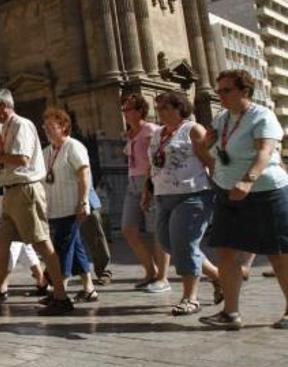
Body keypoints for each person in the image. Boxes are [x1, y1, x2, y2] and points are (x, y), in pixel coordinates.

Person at [0, 89, 73, 316]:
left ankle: (61, 297)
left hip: (26, 191)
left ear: (4, 106)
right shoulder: (6, 128)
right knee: (1, 244)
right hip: (12, 191)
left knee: (42, 243)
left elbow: (22, 159)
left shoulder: (21, 125)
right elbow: (10, 163)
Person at [201, 69, 288, 330]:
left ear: (245, 91)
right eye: (219, 91)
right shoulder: (222, 119)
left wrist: (247, 180)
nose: (221, 95)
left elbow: (265, 151)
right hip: (228, 192)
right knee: (225, 252)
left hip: (265, 191)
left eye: (226, 90)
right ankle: (230, 313)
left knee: (279, 255)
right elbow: (210, 148)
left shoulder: (262, 116)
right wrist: (207, 143)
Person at [142, 92, 221, 316]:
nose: (162, 112)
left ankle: (191, 298)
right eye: (159, 108)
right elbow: (153, 165)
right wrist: (146, 192)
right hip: (163, 195)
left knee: (185, 246)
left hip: (193, 194)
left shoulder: (193, 129)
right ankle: (217, 277)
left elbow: (210, 161)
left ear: (180, 108)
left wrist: (221, 191)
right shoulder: (158, 133)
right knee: (169, 245)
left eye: (168, 107)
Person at [40, 107, 98, 303]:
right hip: (55, 208)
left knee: (62, 248)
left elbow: (84, 174)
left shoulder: (74, 146)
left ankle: (60, 290)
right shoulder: (46, 152)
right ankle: (89, 288)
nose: (46, 129)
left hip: (72, 206)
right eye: (45, 126)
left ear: (64, 126)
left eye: (51, 126)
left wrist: (83, 202)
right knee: (76, 246)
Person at [0, 124, 47, 301]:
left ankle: (1, 286)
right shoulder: (0, 155)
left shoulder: (12, 153)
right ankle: (42, 280)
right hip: (4, 196)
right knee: (20, 242)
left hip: (16, 194)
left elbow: (21, 167)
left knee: (13, 242)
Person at [121, 93, 170, 291]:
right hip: (132, 182)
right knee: (128, 229)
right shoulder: (129, 133)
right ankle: (150, 270)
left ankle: (162, 277)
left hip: (149, 182)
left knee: (157, 231)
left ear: (140, 110)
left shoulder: (150, 129)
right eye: (123, 109)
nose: (125, 113)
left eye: (129, 109)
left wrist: (148, 186)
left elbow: (157, 158)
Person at [80, 183, 113, 286]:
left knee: (95, 234)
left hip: (85, 196)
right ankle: (50, 274)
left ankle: (104, 270)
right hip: (59, 194)